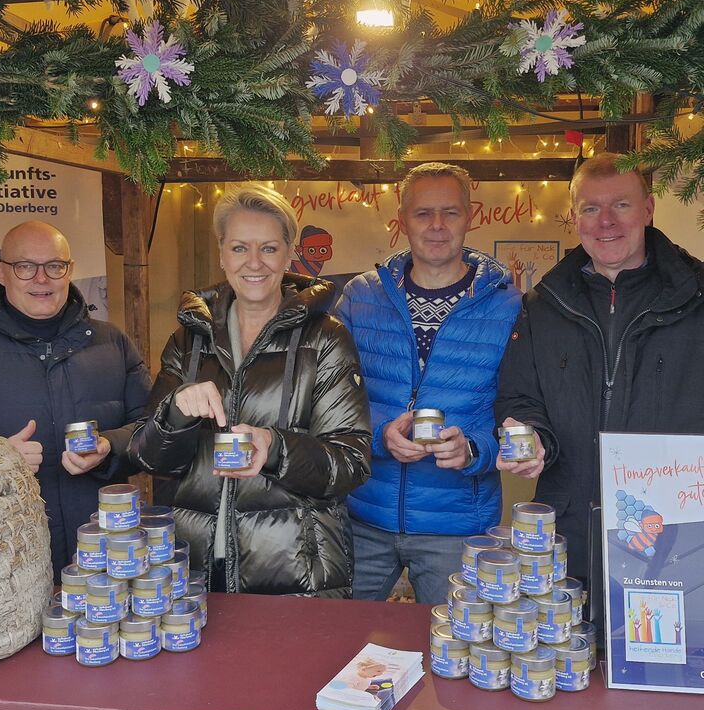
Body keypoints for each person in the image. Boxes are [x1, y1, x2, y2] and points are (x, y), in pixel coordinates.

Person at [128, 184, 371, 596]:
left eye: (269, 249)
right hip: (195, 564)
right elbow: (149, 457)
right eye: (240, 248)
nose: (254, 262)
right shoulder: (190, 340)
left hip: (295, 568)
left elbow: (351, 462)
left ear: (289, 252)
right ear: (222, 253)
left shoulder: (325, 338)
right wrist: (175, 414)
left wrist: (274, 449)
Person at [495, 152, 704, 587]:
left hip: (673, 533)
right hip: (567, 529)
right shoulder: (542, 307)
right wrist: (535, 438)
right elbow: (520, 397)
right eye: (591, 208)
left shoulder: (697, 300)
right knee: (567, 649)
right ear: (574, 217)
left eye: (620, 205)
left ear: (647, 209)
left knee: (656, 649)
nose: (605, 221)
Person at [0, 221, 151, 581]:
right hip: (1, 569)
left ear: (70, 270)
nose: (42, 279)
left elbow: (153, 429)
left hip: (106, 562)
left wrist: (110, 447)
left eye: (54, 266)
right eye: (25, 267)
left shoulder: (111, 344)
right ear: (1, 273)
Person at [335, 162, 521, 604]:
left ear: (470, 215)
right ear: (401, 220)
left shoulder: (510, 306)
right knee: (334, 646)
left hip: (458, 527)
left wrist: (474, 450)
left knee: (455, 651)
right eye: (423, 214)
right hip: (362, 515)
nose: (437, 226)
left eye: (450, 213)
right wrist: (381, 433)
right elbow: (331, 395)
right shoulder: (360, 298)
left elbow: (521, 409)